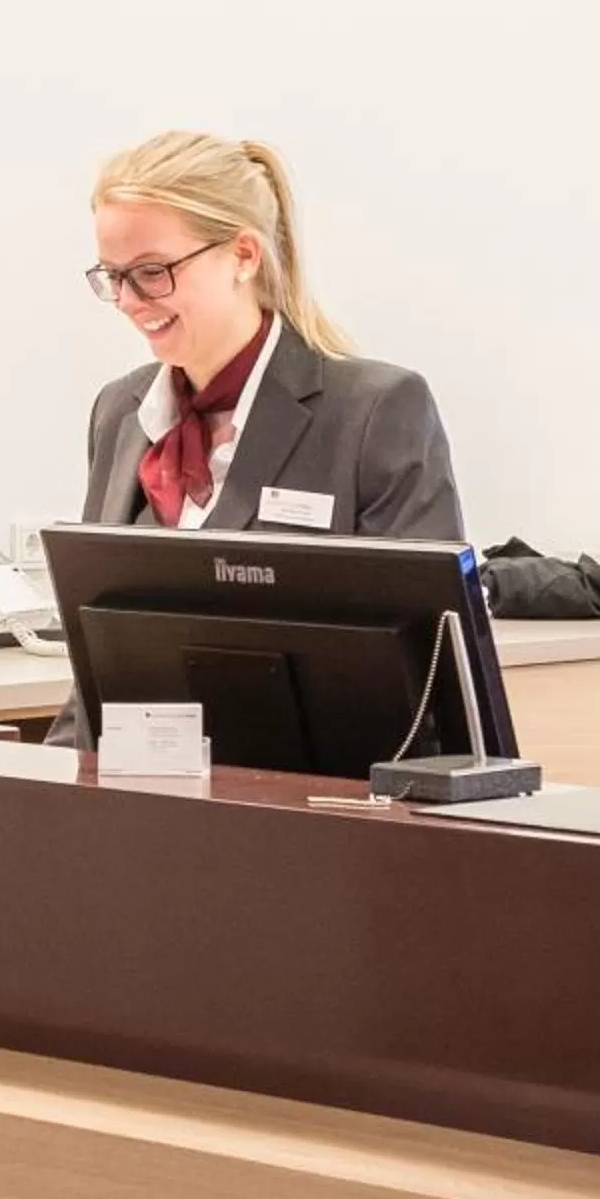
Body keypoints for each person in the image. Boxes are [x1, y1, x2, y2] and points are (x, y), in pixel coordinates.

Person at [47, 130, 465, 750]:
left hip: (322, 793)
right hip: (147, 788)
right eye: (114, 276)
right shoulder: (121, 412)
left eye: (153, 273)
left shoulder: (375, 411)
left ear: (243, 255)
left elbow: (430, 682)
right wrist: (51, 783)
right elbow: (97, 665)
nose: (129, 302)